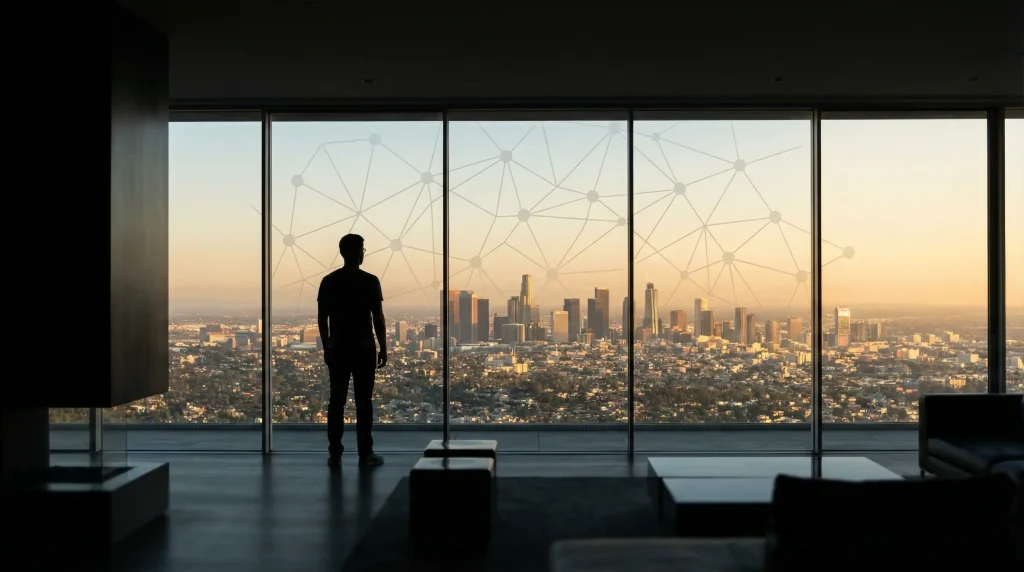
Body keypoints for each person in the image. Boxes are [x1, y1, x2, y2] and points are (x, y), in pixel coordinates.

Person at [317, 234, 387, 468]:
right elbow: (378, 318)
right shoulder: (370, 281)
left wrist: (327, 345)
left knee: (336, 401)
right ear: (359, 253)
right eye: (362, 250)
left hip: (338, 348)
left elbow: (322, 319)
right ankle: (365, 453)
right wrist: (383, 347)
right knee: (363, 402)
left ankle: (335, 453)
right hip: (364, 348)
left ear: (342, 253)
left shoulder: (329, 281)